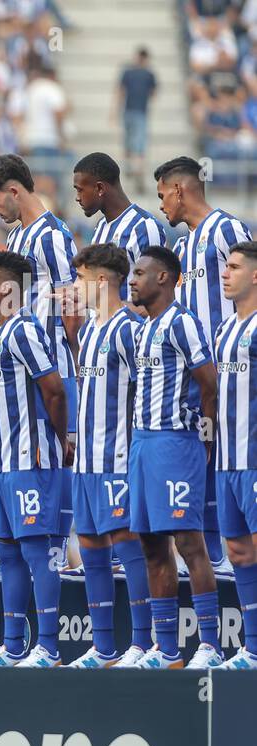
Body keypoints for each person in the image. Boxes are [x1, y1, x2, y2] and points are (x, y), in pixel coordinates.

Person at [0, 153, 79, 568]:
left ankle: (59, 561)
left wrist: (75, 360)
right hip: (21, 371)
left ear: (15, 190)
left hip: (51, 368)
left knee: (54, 468)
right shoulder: (19, 238)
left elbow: (73, 300)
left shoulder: (52, 235)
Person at [122, 247, 220, 669]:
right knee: (149, 543)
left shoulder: (182, 323)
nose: (132, 280)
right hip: (143, 444)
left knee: (188, 542)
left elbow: (208, 381)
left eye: (140, 273)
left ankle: (210, 645)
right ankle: (167, 650)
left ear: (164, 278)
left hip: (176, 443)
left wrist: (205, 434)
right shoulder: (144, 328)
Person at [158, 155, 252, 579]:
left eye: (163, 195)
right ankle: (212, 555)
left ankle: (234, 559)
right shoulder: (180, 246)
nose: (162, 205)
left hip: (227, 371)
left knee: (226, 457)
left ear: (180, 189)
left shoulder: (226, 229)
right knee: (199, 458)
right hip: (191, 376)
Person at [0, 251, 70, 667]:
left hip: (32, 461)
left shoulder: (24, 330)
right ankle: (14, 645)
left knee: (37, 551)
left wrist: (57, 435)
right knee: (9, 553)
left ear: (8, 288)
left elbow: (54, 389)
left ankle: (47, 646)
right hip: (5, 464)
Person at [64, 244, 154, 668]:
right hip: (86, 462)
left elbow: (147, 390)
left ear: (101, 280)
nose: (75, 287)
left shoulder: (127, 329)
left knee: (128, 546)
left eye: (80, 278)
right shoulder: (89, 331)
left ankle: (142, 643)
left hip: (117, 459)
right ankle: (103, 648)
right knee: (91, 549)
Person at [215, 241, 257, 668]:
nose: (225, 274)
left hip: (255, 460)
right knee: (241, 554)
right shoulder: (226, 329)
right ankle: (253, 648)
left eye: (234, 267)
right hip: (227, 461)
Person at [73, 153, 167, 303]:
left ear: (99, 188)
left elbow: (157, 295)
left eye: (80, 190)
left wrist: (120, 312)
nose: (77, 197)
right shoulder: (100, 228)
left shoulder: (143, 227)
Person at [117, 48, 156, 187]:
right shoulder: (145, 74)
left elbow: (121, 91)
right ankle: (135, 170)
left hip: (134, 111)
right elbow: (153, 93)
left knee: (134, 143)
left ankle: (135, 170)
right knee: (135, 144)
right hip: (137, 111)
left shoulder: (133, 73)